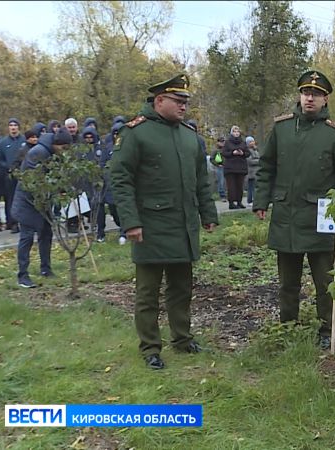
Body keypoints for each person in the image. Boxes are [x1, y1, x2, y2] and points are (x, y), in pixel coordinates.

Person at [110, 74, 218, 370]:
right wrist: (130, 222)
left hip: (182, 226)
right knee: (148, 292)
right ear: (159, 101)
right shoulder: (136, 133)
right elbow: (120, 179)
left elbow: (200, 183)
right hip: (150, 226)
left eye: (186, 101)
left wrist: (208, 214)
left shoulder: (190, 137)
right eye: (178, 101)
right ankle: (150, 348)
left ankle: (182, 339)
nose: (184, 106)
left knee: (182, 288)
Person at [253, 70, 335, 348]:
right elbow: (266, 167)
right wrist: (261, 200)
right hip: (286, 216)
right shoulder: (282, 129)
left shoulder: (334, 135)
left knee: (325, 282)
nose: (309, 98)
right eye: (305, 93)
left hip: (321, 217)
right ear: (299, 96)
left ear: (325, 99)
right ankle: (288, 328)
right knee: (288, 283)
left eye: (316, 94)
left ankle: (326, 331)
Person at [11, 129, 74, 288]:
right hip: (28, 202)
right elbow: (34, 181)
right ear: (56, 144)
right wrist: (53, 189)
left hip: (43, 202)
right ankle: (22, 275)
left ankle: (46, 269)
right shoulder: (38, 152)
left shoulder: (55, 154)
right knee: (26, 237)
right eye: (64, 148)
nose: (65, 151)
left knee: (46, 234)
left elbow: (57, 176)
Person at [0, 118, 26, 233]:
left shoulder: (24, 140)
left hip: (24, 175)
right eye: (11, 125)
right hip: (9, 175)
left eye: (15, 125)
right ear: (8, 128)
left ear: (18, 127)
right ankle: (13, 223)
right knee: (11, 199)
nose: (13, 127)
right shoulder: (3, 142)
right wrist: (8, 167)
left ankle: (25, 222)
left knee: (25, 199)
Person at [222, 125, 250, 210]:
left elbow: (248, 153)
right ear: (231, 133)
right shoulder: (227, 142)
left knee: (240, 186)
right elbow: (224, 153)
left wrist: (242, 153)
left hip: (241, 167)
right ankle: (231, 202)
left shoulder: (243, 142)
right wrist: (232, 152)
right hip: (230, 167)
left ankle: (239, 202)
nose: (236, 133)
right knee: (231, 186)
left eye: (237, 131)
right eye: (234, 131)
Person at [245, 136, 260, 206]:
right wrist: (259, 161)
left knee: (255, 186)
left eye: (253, 141)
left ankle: (255, 199)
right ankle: (250, 200)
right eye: (250, 142)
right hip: (250, 171)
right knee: (251, 187)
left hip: (256, 171)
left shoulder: (255, 150)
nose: (252, 143)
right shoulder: (247, 151)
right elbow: (249, 161)